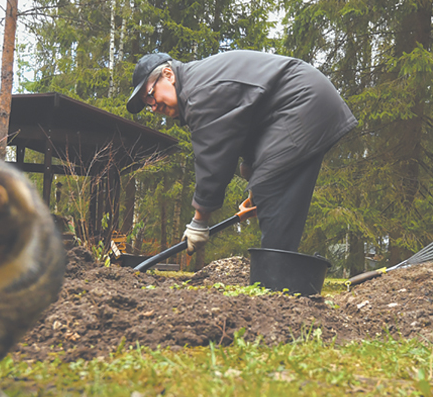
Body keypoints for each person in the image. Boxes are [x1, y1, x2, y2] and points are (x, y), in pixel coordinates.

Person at [126, 51, 357, 254]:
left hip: (304, 101)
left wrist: (200, 221)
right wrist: (253, 185)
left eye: (150, 94)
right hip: (300, 104)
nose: (153, 106)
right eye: (147, 104)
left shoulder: (198, 93)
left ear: (168, 75)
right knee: (266, 185)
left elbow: (213, 159)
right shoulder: (199, 87)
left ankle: (276, 283)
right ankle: (278, 279)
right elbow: (245, 127)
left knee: (271, 184)